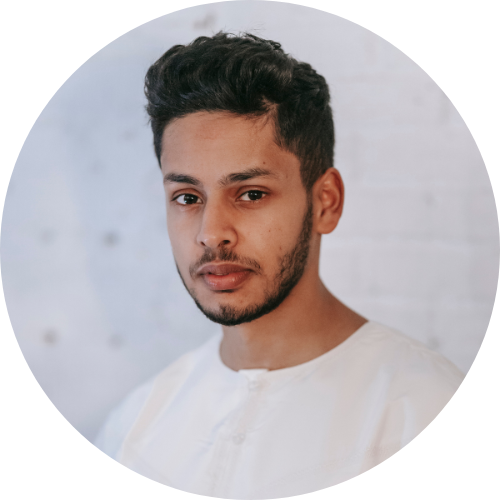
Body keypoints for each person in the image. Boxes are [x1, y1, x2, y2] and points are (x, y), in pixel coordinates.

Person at [95, 31, 464, 499]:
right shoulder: (132, 433)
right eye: (187, 197)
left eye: (251, 194)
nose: (211, 232)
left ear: (325, 202)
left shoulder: (432, 415)